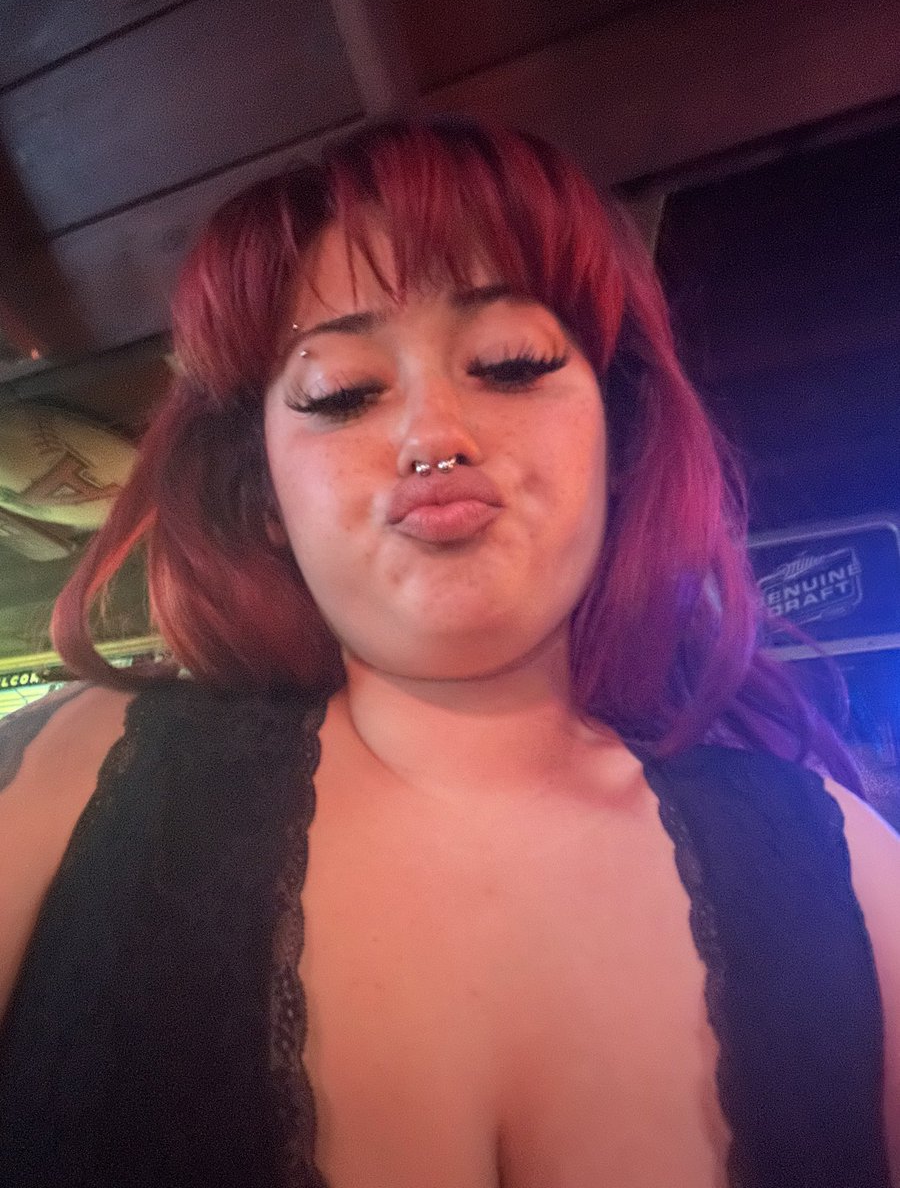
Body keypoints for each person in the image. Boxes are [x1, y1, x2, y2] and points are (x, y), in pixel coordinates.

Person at [0, 115, 897, 1188]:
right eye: (341, 393)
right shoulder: (66, 779)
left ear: (618, 438)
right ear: (267, 496)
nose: (433, 436)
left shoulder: (853, 870)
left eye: (510, 366)